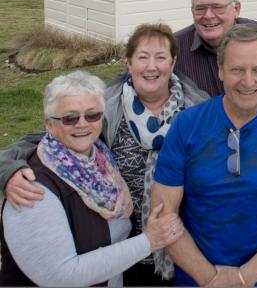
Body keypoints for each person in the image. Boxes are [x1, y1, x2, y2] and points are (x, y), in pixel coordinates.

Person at [0, 23, 209, 285]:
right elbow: (48, 139)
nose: (151, 66)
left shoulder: (198, 111)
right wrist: (7, 167)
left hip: (186, 243)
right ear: (128, 63)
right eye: (142, 57)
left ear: (173, 62)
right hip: (129, 253)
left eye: (160, 57)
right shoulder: (109, 106)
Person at [151, 24, 257, 286]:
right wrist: (210, 279)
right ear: (220, 70)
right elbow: (164, 215)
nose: (248, 81)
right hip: (196, 280)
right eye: (236, 70)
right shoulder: (187, 125)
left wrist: (243, 278)